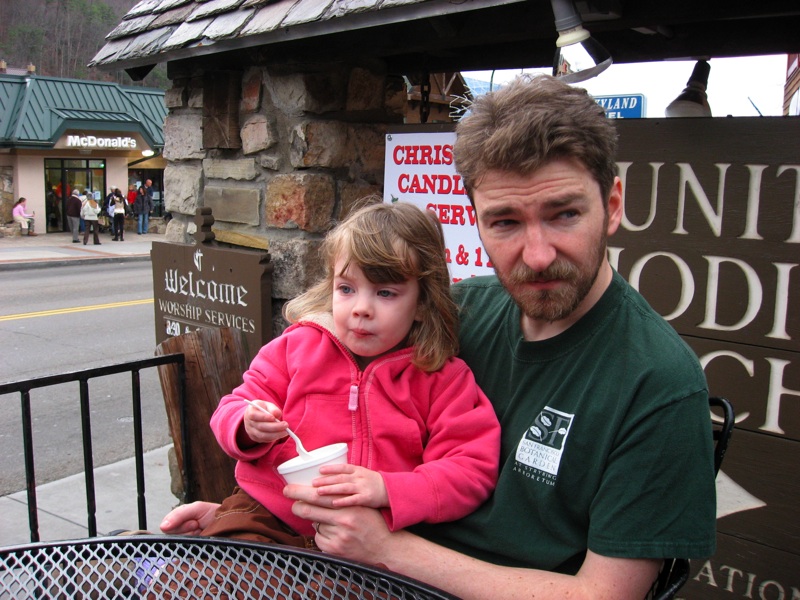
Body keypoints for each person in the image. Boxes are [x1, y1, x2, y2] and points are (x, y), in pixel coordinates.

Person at [162, 74, 717, 599]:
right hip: (343, 557)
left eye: (564, 213)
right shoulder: (460, 311)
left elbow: (603, 594)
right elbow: (328, 351)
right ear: (474, 219)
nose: (538, 254)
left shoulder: (657, 385)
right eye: (504, 222)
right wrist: (261, 516)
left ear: (612, 206)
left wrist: (385, 548)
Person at [190, 201, 500, 547]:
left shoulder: (442, 378)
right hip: (265, 514)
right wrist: (247, 425)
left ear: (423, 304)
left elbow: (470, 469)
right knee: (211, 580)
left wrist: (387, 489)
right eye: (347, 289)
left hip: (371, 537)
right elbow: (235, 404)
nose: (361, 309)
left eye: (385, 293)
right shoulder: (297, 347)